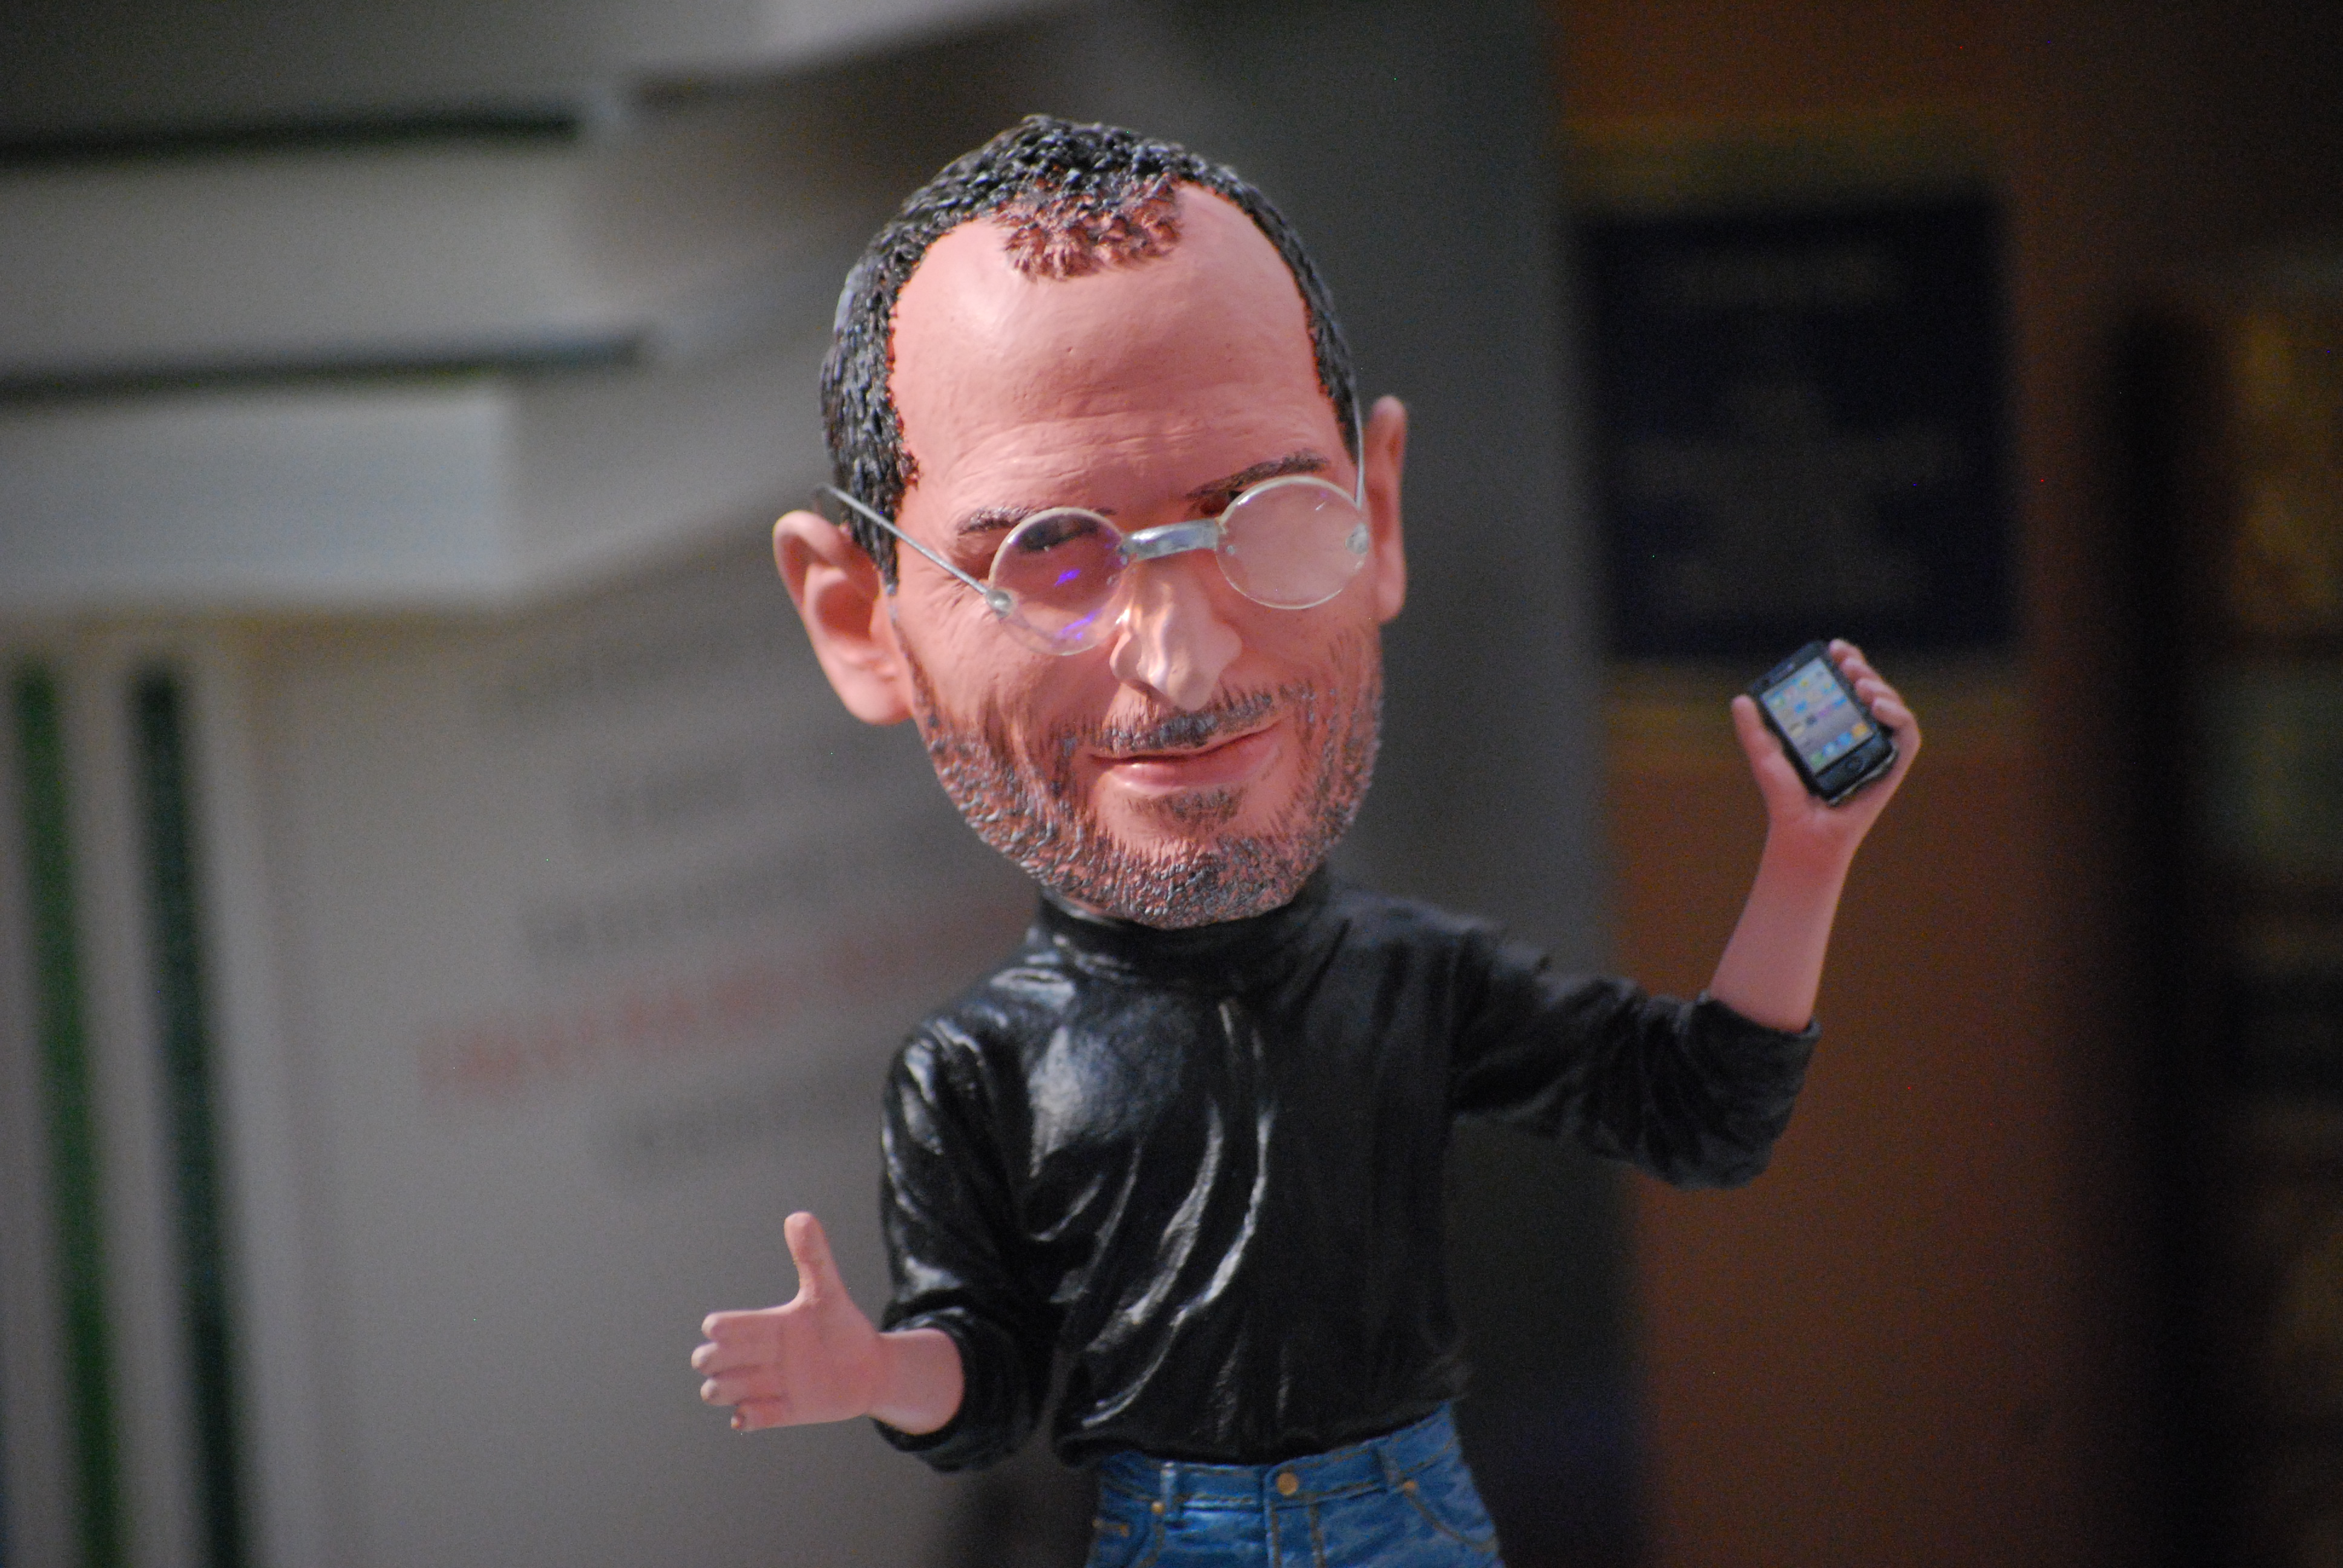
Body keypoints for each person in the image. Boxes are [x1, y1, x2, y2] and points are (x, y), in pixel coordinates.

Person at [690, 116, 1919, 1567]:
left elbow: (1701, 1112)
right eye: (1052, 560)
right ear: (863, 622)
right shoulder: (977, 1071)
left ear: (1377, 514)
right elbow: (990, 1373)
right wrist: (878, 1372)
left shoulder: (1417, 982)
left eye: (1267, 518)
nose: (1184, 665)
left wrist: (1807, 855)